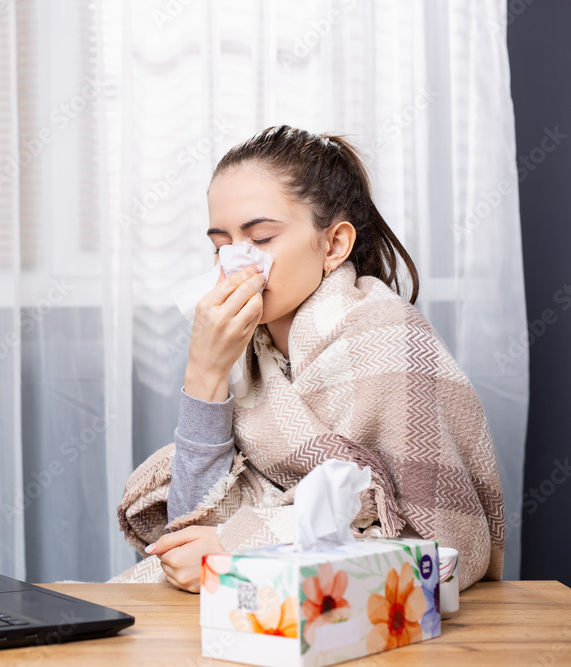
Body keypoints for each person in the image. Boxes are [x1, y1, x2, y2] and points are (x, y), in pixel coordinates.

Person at [109, 125, 504, 593]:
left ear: (334, 245)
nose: (237, 262)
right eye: (221, 246)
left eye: (260, 238)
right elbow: (190, 525)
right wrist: (205, 373)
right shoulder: (241, 351)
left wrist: (237, 550)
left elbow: (442, 550)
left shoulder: (390, 341)